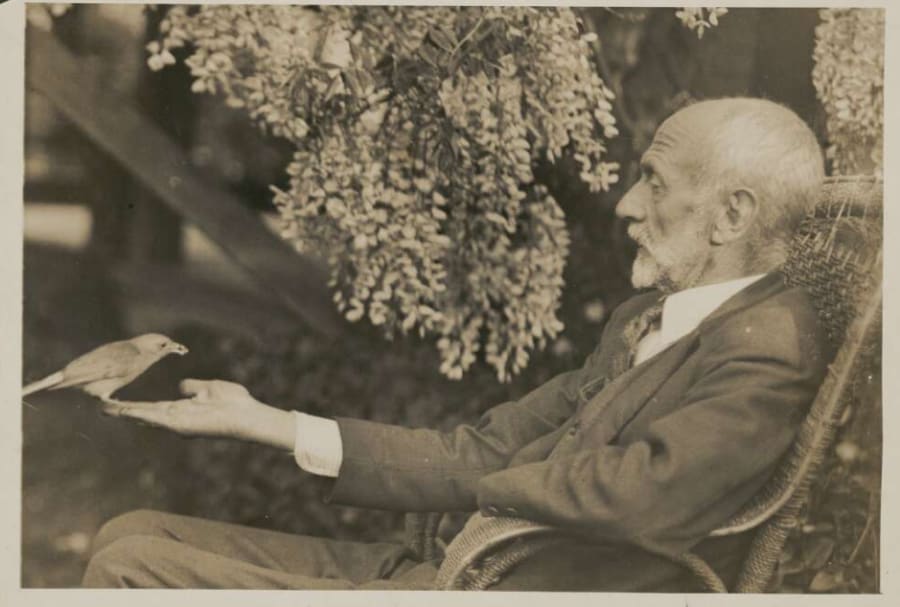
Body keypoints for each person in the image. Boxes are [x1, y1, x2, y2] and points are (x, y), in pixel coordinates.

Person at [83, 97, 829, 590]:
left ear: (732, 215)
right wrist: (261, 420)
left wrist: (484, 489)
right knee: (131, 529)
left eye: (655, 181)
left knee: (129, 572)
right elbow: (479, 445)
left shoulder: (769, 345)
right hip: (451, 568)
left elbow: (642, 495)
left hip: (494, 588)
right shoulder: (649, 317)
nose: (628, 205)